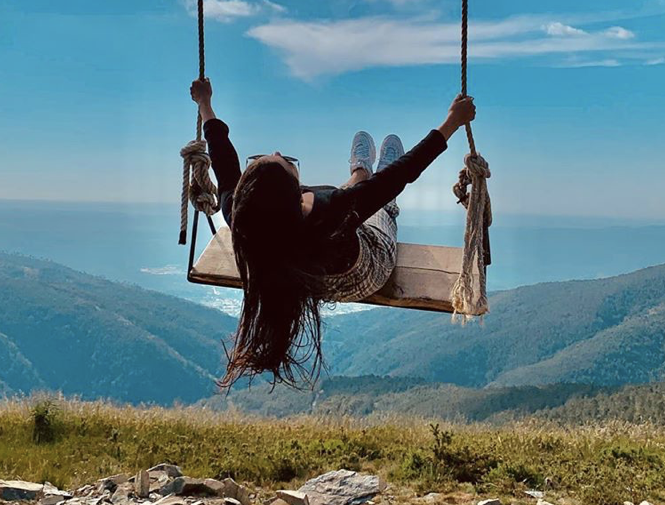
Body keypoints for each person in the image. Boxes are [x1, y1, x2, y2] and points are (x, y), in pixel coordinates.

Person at [189, 77, 477, 387]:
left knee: (350, 198)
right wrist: (452, 122)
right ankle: (368, 177)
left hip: (318, 258)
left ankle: (360, 172)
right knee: (380, 204)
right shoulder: (329, 216)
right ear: (294, 195)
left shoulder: (243, 214)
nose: (277, 151)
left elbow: (222, 158)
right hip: (364, 267)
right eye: (284, 162)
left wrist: (204, 103)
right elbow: (399, 175)